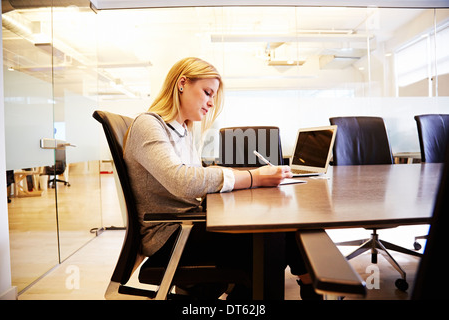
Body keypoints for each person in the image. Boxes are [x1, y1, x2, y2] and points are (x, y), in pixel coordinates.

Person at [123, 57, 320, 300]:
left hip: (187, 225)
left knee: (283, 226)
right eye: (207, 92)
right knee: (270, 240)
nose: (210, 103)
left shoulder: (183, 129)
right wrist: (252, 177)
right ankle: (309, 287)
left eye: (213, 96)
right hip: (172, 235)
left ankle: (309, 284)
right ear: (182, 83)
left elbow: (195, 174)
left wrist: (244, 176)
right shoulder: (148, 124)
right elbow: (181, 180)